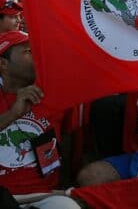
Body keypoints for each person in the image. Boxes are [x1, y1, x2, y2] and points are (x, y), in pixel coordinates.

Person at [0, 31, 81, 208]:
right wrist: (14, 113)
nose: (37, 55)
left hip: (45, 195)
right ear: (3, 64)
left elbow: (69, 140)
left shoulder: (55, 95)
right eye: (28, 51)